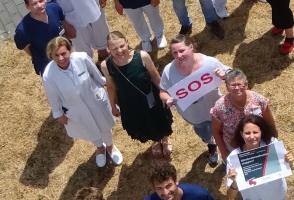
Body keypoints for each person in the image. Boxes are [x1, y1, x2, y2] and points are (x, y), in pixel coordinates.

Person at [42, 36, 121, 167]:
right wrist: (58, 114)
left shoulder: (82, 58)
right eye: (56, 55)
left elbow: (96, 75)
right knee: (89, 129)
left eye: (63, 53)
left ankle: (110, 146)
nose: (61, 58)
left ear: (69, 51)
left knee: (104, 125)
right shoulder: (48, 75)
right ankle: (100, 148)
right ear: (51, 56)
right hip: (76, 108)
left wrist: (106, 85)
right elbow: (53, 96)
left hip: (95, 100)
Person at [158, 35, 230, 168]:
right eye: (175, 53)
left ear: (191, 47)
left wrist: (225, 76)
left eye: (182, 51)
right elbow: (162, 91)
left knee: (225, 132)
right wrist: (167, 99)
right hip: (194, 116)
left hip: (217, 109)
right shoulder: (169, 71)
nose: (179, 55)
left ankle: (228, 151)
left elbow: (231, 74)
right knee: (204, 133)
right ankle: (212, 145)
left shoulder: (209, 62)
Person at [101, 30, 173, 159]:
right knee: (145, 123)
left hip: (150, 97)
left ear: (127, 42)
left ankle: (165, 138)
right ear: (108, 49)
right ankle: (156, 140)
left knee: (159, 119)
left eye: (122, 46)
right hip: (129, 102)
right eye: (114, 48)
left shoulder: (142, 56)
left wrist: (165, 93)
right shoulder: (106, 66)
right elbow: (111, 87)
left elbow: (155, 77)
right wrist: (112, 105)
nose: (119, 51)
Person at [209, 69, 276, 166]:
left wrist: (273, 141)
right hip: (234, 147)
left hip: (257, 141)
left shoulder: (259, 100)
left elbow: (270, 122)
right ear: (227, 88)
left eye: (239, 84)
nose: (236, 88)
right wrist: (224, 153)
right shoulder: (219, 107)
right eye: (232, 85)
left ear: (246, 85)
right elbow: (215, 131)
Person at [15, 0, 74, 76]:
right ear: (27, 6)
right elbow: (27, 49)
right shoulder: (23, 30)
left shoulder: (54, 8)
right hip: (47, 65)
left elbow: (63, 24)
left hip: (66, 55)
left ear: (45, 0)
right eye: (34, 3)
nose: (39, 5)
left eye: (41, 1)